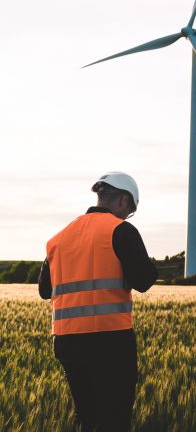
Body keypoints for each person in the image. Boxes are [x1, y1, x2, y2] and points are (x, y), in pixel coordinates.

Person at [38, 171, 158, 432]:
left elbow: (45, 291)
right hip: (110, 340)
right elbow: (144, 280)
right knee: (114, 419)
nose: (128, 216)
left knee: (88, 418)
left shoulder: (57, 239)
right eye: (130, 210)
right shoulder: (120, 230)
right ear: (124, 201)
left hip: (67, 342)